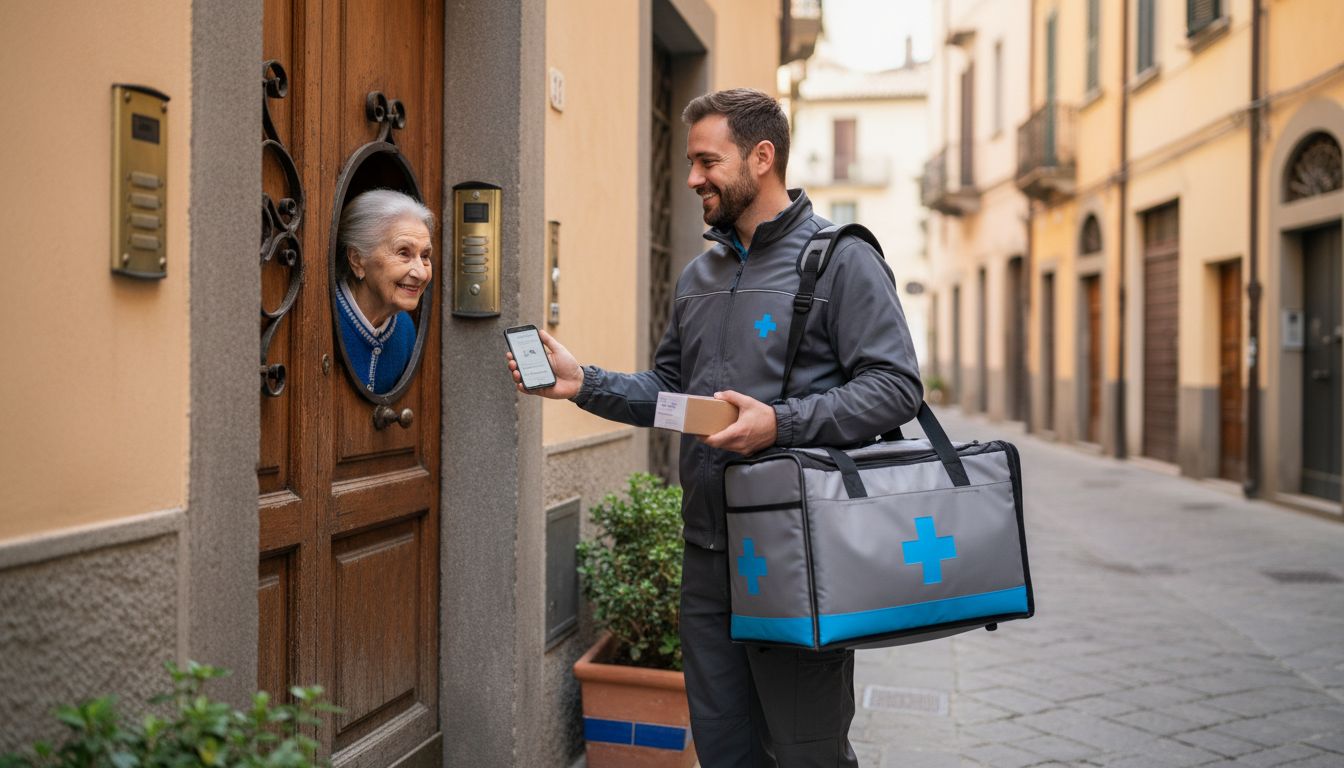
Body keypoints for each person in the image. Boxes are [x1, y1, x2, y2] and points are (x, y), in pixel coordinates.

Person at [508, 89, 922, 767]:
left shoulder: (842, 259)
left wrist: (779, 425)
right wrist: (585, 382)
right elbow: (673, 394)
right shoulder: (700, 275)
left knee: (805, 753)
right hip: (706, 555)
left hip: (800, 555)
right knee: (724, 751)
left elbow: (896, 386)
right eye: (690, 161)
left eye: (707, 160)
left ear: (763, 158)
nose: (693, 176)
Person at [335, 188, 434, 395]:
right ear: (357, 260)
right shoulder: (326, 315)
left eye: (425, 256)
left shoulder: (404, 329)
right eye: (403, 253)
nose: (421, 273)